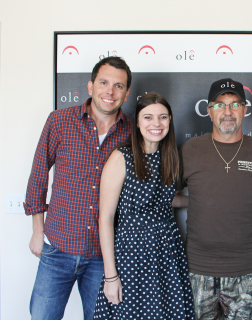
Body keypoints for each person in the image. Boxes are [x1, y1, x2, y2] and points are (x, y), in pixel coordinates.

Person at [24, 56, 132, 320]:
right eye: (104, 82)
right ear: (90, 86)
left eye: (118, 86)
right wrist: (38, 231)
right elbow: (38, 175)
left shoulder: (133, 131)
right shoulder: (59, 121)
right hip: (57, 247)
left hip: (103, 254)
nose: (110, 91)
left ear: (127, 93)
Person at [92, 92, 195, 319]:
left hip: (167, 252)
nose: (156, 124)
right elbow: (106, 219)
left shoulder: (169, 156)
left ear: (170, 121)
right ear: (137, 122)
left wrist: (203, 201)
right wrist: (111, 276)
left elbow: (165, 200)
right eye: (148, 117)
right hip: (133, 254)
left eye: (163, 117)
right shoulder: (121, 158)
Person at [179, 78, 252, 319]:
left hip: (246, 271)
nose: (227, 112)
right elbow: (168, 196)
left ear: (244, 109)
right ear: (209, 111)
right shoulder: (190, 149)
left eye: (234, 104)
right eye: (219, 105)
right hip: (197, 270)